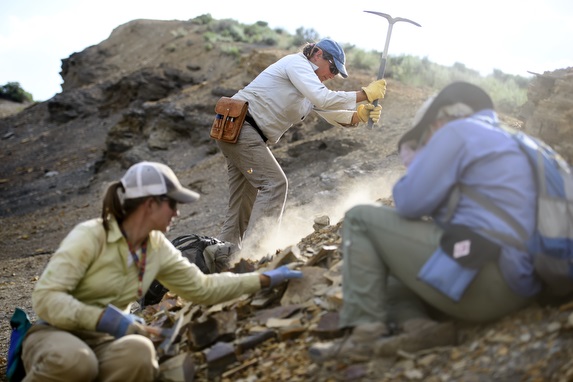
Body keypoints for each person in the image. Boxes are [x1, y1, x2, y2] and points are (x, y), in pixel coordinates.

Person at [309, 82, 542, 362]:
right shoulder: (513, 139)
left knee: (360, 218)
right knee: (389, 258)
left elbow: (409, 203)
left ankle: (364, 339)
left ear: (438, 120)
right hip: (528, 283)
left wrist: (424, 161)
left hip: (492, 283)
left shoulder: (455, 132)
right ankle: (421, 329)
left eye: (425, 136)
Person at [21, 161, 301, 381]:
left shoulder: (156, 247)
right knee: (76, 362)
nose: (177, 213)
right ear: (150, 203)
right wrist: (105, 319)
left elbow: (202, 289)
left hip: (104, 342)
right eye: (172, 204)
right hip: (57, 335)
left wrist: (264, 278)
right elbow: (45, 299)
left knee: (139, 354)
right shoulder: (91, 235)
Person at [214, 38, 387, 254]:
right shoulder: (297, 64)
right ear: (317, 54)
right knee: (275, 184)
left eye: (336, 72)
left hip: (239, 132)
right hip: (241, 127)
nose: (332, 75)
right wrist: (364, 95)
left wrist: (359, 116)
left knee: (241, 203)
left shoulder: (309, 85)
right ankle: (253, 253)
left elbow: (332, 114)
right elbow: (323, 99)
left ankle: (220, 258)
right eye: (332, 67)